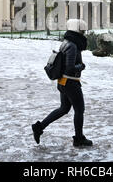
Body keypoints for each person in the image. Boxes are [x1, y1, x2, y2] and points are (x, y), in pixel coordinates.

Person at [32, 19, 93, 147]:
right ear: (77, 30)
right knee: (79, 110)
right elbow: (69, 67)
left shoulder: (66, 42)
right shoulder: (72, 45)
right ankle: (79, 138)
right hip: (70, 82)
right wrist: (81, 66)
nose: (84, 33)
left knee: (64, 108)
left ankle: (39, 127)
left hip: (63, 82)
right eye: (82, 31)